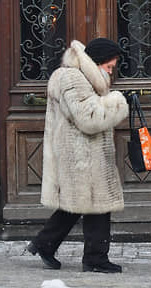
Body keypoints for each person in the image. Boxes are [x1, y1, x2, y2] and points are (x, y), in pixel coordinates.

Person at [27, 38, 128, 273]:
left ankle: (45, 243)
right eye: (109, 67)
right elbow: (88, 118)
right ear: (97, 61)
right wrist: (117, 103)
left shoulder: (81, 76)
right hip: (80, 152)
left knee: (78, 204)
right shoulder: (72, 78)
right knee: (97, 206)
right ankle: (95, 259)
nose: (111, 72)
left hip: (85, 150)